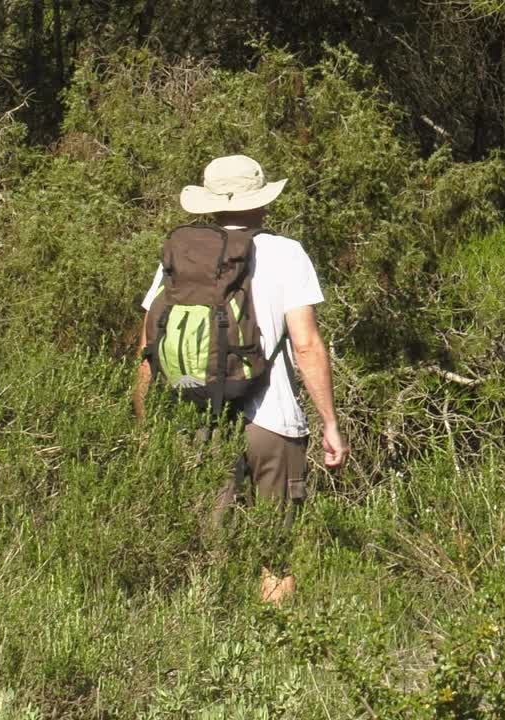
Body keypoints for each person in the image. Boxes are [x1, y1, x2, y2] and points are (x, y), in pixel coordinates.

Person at [133, 154, 348, 605]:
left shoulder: (182, 254)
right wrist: (329, 422)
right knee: (276, 550)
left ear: (209, 204)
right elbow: (306, 345)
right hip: (273, 422)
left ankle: (204, 645)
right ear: (261, 201)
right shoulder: (287, 253)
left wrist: (143, 419)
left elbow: (148, 345)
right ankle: (278, 652)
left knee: (207, 545)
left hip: (198, 416)